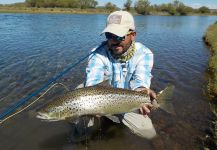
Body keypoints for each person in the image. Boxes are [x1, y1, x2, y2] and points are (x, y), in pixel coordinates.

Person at [84, 10, 157, 138]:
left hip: (128, 101)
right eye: (109, 35)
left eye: (119, 36)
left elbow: (140, 80)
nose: (113, 41)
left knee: (149, 133)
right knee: (82, 129)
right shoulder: (97, 54)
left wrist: (142, 90)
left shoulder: (144, 54)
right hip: (100, 99)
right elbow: (93, 82)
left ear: (132, 35)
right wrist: (91, 106)